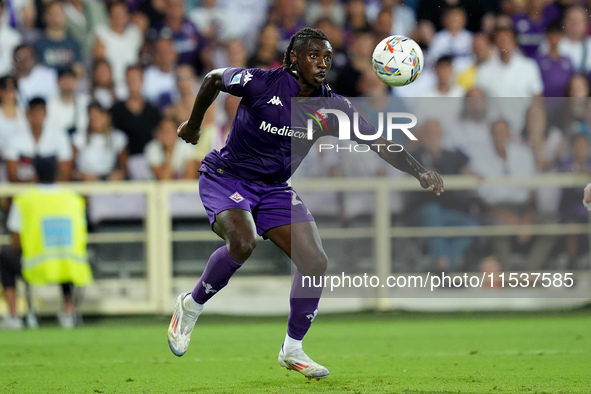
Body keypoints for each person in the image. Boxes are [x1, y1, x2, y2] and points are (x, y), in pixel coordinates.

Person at [167, 28, 444, 380]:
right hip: (227, 177)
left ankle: (292, 349)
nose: (322, 63)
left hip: (274, 188)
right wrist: (193, 125)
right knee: (242, 241)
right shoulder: (261, 83)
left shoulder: (333, 107)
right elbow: (212, 79)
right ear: (292, 58)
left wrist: (420, 172)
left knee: (314, 261)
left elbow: (379, 142)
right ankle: (190, 306)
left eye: (327, 57)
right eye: (314, 55)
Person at [0, 156, 92, 330]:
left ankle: (14, 316)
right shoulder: (73, 198)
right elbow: (82, 233)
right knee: (64, 256)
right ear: (57, 174)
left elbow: (15, 240)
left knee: (4, 255)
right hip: (69, 264)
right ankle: (68, 311)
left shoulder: (25, 200)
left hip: (35, 266)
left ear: (35, 175)